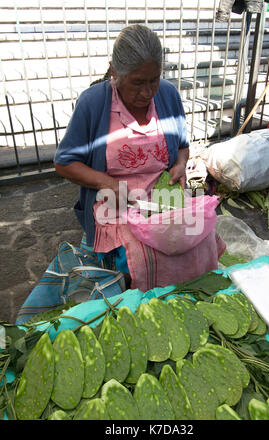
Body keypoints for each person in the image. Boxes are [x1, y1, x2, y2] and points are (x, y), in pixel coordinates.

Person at [53, 24, 225, 293]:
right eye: (137, 82)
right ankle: (147, 305)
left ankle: (189, 298)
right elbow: (64, 162)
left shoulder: (167, 95)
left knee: (200, 241)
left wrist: (180, 165)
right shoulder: (93, 104)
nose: (147, 92)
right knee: (144, 255)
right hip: (116, 204)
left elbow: (181, 146)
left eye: (153, 80)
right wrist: (106, 182)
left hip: (163, 199)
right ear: (114, 72)